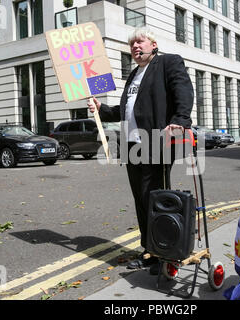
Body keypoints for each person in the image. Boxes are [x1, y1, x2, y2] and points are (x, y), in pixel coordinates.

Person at [87, 27, 193, 272]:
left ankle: (159, 252)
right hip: (132, 147)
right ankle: (151, 250)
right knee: (142, 200)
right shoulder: (134, 74)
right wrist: (101, 107)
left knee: (154, 199)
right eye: (132, 44)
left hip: (156, 142)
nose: (135, 46)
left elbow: (184, 92)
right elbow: (125, 111)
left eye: (140, 42)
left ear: (153, 44)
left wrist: (180, 119)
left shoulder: (168, 63)